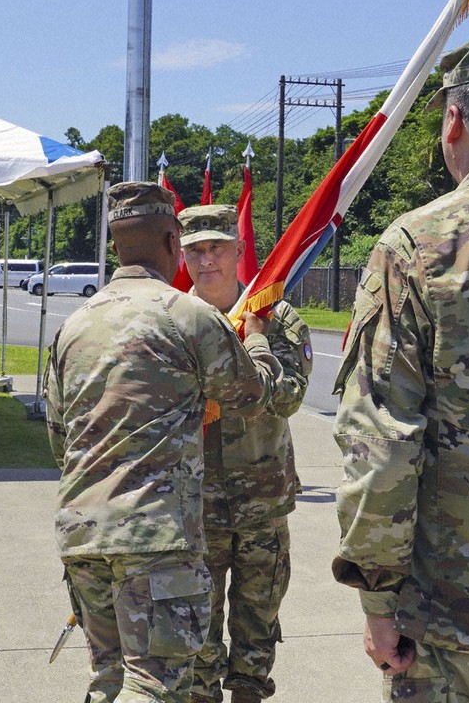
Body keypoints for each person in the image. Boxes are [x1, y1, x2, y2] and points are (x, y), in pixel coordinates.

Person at [331, 28, 469, 701]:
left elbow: (381, 443)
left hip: (458, 619)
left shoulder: (418, 245)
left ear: (453, 120)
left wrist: (378, 602)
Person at [44, 182, 285, 703]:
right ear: (174, 241)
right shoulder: (186, 315)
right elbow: (251, 395)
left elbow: (59, 436)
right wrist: (259, 337)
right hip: (154, 540)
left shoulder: (74, 326)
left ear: (114, 245)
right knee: (156, 686)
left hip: (83, 534)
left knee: (110, 680)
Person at [177, 204, 313, 703]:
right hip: (197, 506)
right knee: (198, 630)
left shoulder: (274, 316)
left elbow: (288, 398)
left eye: (217, 247)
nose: (207, 260)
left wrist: (255, 340)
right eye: (196, 250)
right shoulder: (173, 320)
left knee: (258, 624)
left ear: (238, 249)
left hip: (263, 502)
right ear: (183, 254)